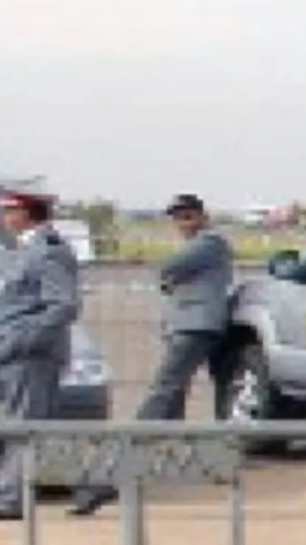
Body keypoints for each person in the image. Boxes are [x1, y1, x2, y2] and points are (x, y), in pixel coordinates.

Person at [69, 192, 233, 516]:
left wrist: (167, 276)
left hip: (194, 327)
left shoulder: (210, 242)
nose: (182, 222)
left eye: (188, 215)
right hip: (188, 327)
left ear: (203, 216)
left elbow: (169, 267)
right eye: (177, 217)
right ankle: (132, 472)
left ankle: (110, 476)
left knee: (160, 396)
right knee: (170, 406)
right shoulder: (201, 247)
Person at [0, 186, 80, 522]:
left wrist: (22, 339)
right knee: (39, 426)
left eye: (10, 210)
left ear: (27, 213)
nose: (4, 217)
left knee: (22, 426)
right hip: (14, 352)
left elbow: (63, 305)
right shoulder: (23, 250)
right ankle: (92, 485)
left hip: (31, 355)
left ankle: (10, 498)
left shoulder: (48, 251)